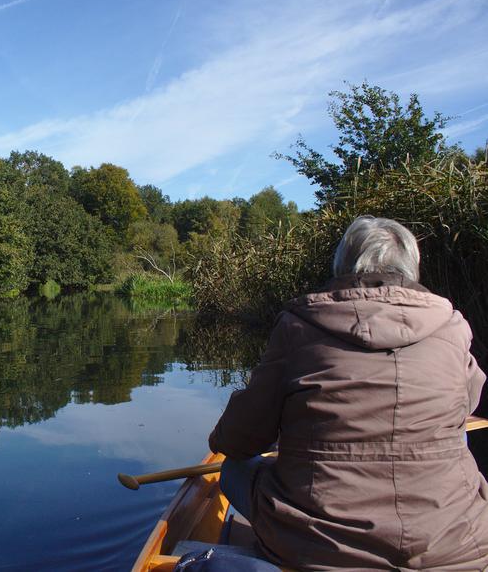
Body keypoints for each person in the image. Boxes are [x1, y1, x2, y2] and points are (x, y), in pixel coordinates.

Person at [209, 216, 488, 570]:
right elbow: (469, 400)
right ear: (412, 268)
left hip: (319, 547)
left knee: (232, 469)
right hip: (452, 543)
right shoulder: (454, 326)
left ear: (342, 265)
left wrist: (242, 440)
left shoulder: (298, 325)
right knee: (459, 440)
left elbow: (238, 441)